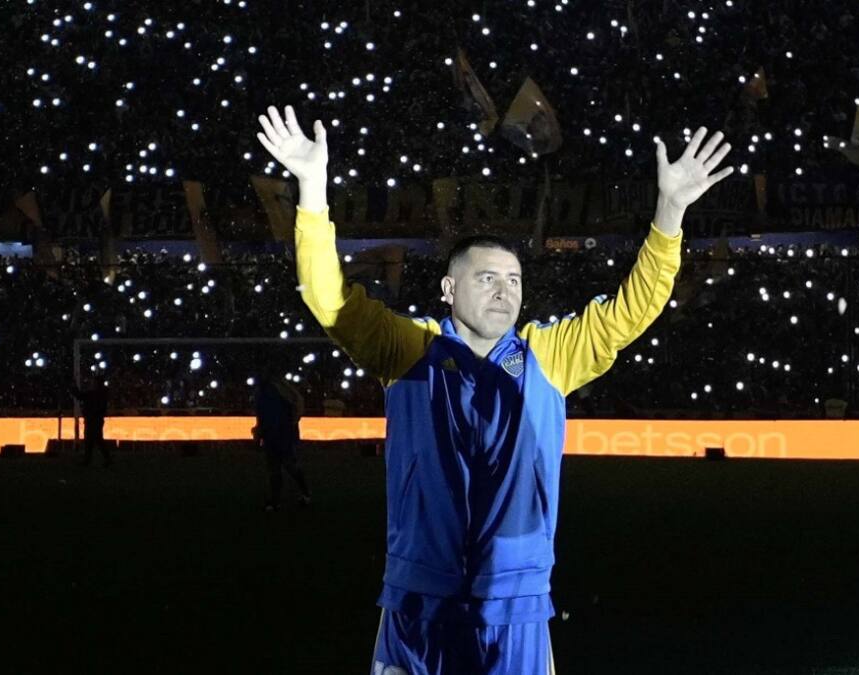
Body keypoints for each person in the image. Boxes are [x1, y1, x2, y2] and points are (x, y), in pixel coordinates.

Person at [257, 104, 732, 674]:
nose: (504, 291)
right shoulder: (409, 350)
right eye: (487, 279)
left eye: (513, 281)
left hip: (518, 600)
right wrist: (312, 188)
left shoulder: (549, 356)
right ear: (448, 288)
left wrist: (670, 212)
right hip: (417, 597)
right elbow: (328, 299)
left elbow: (631, 312)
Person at [255, 365, 312, 512]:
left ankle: (285, 498)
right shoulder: (272, 391)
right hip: (277, 433)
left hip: (280, 433)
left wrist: (262, 429)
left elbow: (272, 414)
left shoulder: (276, 391)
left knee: (285, 465)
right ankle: (278, 500)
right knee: (279, 467)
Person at [70, 378, 111, 467]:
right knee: (94, 440)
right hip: (94, 419)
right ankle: (98, 459)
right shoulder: (100, 394)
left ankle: (93, 459)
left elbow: (80, 396)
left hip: (93, 419)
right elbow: (80, 396)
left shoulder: (94, 394)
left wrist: (73, 387)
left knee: (93, 440)